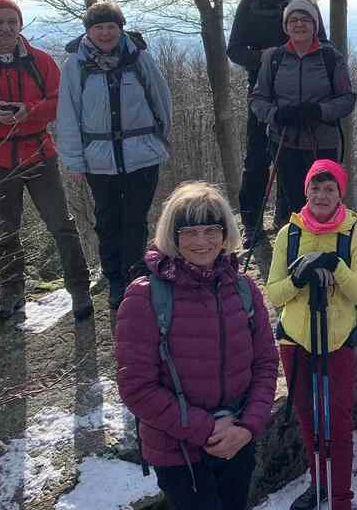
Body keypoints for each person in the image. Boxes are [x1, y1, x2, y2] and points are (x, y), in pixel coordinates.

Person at [114, 181, 279, 510]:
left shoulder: (244, 289)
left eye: (211, 230)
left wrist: (247, 427)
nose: (202, 242)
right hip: (178, 452)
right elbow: (136, 387)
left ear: (224, 233)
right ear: (172, 237)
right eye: (189, 232)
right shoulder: (145, 295)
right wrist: (206, 429)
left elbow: (265, 364)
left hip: (237, 441)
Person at [0, 0, 93, 321]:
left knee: (61, 224)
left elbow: (60, 102)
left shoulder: (39, 61)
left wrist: (29, 110)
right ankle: (11, 294)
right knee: (4, 230)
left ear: (20, 25)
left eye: (12, 21)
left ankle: (80, 290)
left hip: (39, 153)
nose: (6, 28)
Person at [265, 160, 357, 510]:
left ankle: (341, 498)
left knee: (338, 423)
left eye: (330, 189)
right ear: (306, 191)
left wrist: (334, 265)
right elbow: (274, 294)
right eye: (315, 187)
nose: (321, 195)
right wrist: (300, 276)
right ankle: (319, 485)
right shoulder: (289, 234)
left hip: (339, 339)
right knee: (308, 419)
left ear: (340, 193)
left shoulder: (356, 232)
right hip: (295, 339)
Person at [56, 1, 172, 319]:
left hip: (142, 155)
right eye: (99, 27)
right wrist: (74, 160)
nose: (105, 33)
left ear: (120, 29)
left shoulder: (138, 58)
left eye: (111, 27)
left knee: (136, 218)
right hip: (98, 159)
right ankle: (115, 280)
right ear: (88, 31)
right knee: (107, 220)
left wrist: (161, 139)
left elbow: (161, 99)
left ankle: (136, 276)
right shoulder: (75, 66)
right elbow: (68, 115)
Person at [228, 0, 327, 246]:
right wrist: (266, 57)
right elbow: (234, 49)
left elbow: (322, 43)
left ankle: (292, 218)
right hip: (262, 92)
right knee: (257, 159)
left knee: (295, 159)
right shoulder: (250, 2)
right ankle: (251, 223)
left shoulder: (307, 2)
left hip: (302, 94)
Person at [250, 0, 355, 221]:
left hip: (323, 143)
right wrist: (276, 115)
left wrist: (319, 111)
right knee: (294, 205)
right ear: (286, 26)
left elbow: (347, 99)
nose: (299, 24)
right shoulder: (274, 58)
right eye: (293, 20)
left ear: (315, 25)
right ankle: (295, 251)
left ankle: (328, 251)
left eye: (305, 19)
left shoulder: (331, 58)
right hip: (284, 143)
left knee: (325, 202)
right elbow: (257, 99)